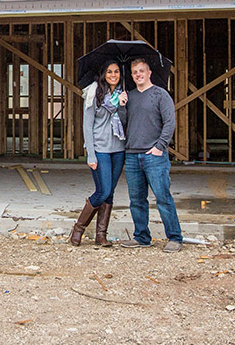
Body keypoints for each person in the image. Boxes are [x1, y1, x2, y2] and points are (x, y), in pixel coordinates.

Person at [119, 57, 183, 253]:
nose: (138, 74)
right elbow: (123, 125)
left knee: (163, 197)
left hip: (154, 156)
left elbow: (169, 123)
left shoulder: (160, 95)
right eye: (134, 72)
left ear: (149, 73)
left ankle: (174, 237)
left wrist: (160, 147)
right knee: (136, 200)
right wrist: (121, 106)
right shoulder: (129, 96)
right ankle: (141, 237)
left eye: (141, 71)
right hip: (132, 155)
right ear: (131, 75)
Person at [70, 60, 127, 247]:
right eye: (109, 71)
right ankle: (78, 227)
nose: (113, 75)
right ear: (103, 74)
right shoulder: (93, 93)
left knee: (109, 192)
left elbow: (126, 121)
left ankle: (101, 236)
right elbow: (88, 125)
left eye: (116, 71)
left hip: (118, 149)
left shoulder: (123, 93)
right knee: (102, 191)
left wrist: (122, 105)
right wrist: (91, 154)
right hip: (100, 149)